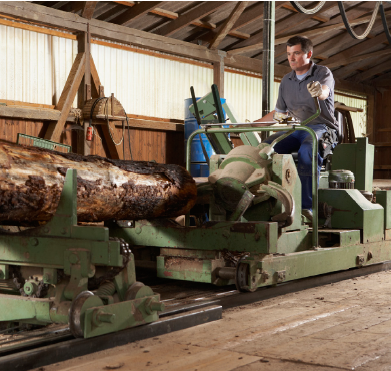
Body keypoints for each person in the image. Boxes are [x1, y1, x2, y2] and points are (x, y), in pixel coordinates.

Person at [258, 35, 338, 221]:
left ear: (309, 53)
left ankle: (307, 208)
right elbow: (279, 114)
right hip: (298, 128)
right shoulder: (287, 81)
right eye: (288, 54)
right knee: (266, 149)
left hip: (322, 127)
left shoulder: (322, 73)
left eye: (296, 53)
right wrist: (252, 124)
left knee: (307, 151)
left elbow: (325, 91)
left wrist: (320, 91)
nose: (291, 58)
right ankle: (271, 201)